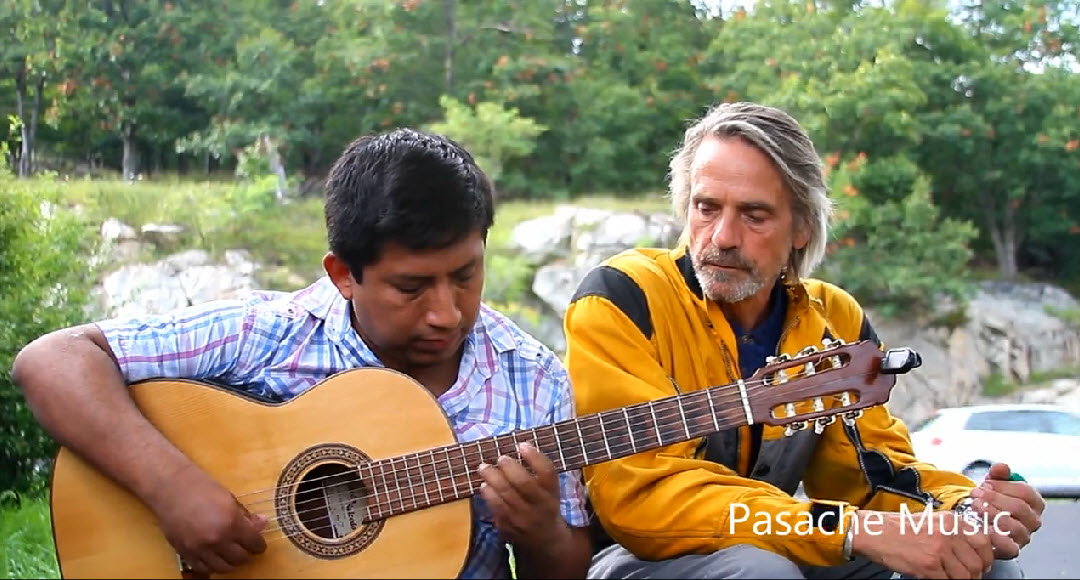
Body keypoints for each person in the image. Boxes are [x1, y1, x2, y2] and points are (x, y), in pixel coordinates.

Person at [12, 128, 592, 579]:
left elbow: (563, 569)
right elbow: (51, 360)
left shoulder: (534, 379)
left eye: (466, 275)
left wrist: (541, 532)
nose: (446, 311)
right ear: (343, 274)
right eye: (411, 288)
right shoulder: (267, 333)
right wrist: (171, 487)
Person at [561, 101, 1045, 579]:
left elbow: (867, 473)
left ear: (803, 227)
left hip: (782, 539)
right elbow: (641, 498)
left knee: (981, 565)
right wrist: (846, 528)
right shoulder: (624, 297)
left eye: (754, 215)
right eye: (706, 208)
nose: (723, 236)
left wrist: (964, 508)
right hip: (635, 556)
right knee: (760, 572)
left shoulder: (833, 318)